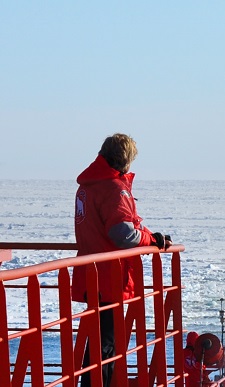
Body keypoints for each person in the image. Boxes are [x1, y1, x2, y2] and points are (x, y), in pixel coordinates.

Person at [72, 133, 172, 387]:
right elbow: (122, 234)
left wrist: (148, 235)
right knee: (106, 345)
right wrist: (151, 240)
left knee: (97, 343)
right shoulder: (114, 189)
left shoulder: (87, 187)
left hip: (90, 271)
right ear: (126, 160)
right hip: (109, 276)